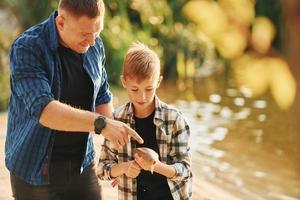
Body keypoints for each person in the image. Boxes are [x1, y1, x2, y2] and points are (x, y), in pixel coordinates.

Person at [5, 0, 143, 199]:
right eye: (85, 34)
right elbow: (44, 111)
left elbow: (102, 96)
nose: (93, 41)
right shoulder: (27, 48)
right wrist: (102, 125)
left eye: (97, 32)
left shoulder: (94, 44)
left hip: (81, 165)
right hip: (34, 170)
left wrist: (119, 144)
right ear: (61, 23)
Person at [98, 42, 193, 200]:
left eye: (149, 89)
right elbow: (102, 169)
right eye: (134, 89)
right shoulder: (117, 120)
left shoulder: (174, 119)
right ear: (124, 82)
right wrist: (124, 168)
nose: (142, 97)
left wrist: (154, 165)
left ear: (158, 82)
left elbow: (185, 171)